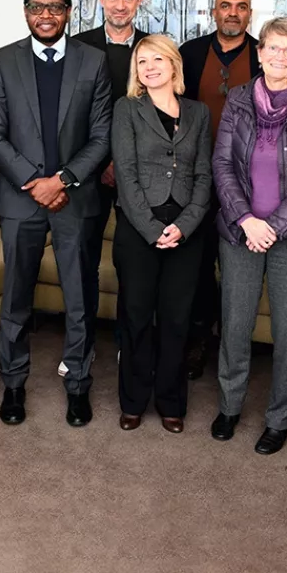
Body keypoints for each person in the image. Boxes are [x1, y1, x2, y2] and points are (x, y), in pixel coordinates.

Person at [0, 0, 111, 427]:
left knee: (78, 299)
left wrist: (64, 180)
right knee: (16, 299)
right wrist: (34, 181)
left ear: (70, 11)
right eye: (37, 7)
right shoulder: (2, 60)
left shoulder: (92, 62)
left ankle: (77, 384)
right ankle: (13, 384)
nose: (46, 15)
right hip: (20, 200)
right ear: (25, 11)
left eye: (55, 7)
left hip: (75, 199)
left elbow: (101, 136)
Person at [211, 17, 287, 455]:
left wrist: (275, 226)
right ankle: (229, 405)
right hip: (240, 230)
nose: (280, 56)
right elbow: (222, 165)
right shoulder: (239, 99)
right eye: (273, 48)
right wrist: (246, 220)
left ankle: (280, 417)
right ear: (259, 52)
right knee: (235, 324)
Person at [111, 35, 211, 432]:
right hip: (139, 227)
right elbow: (126, 174)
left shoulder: (198, 113)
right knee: (136, 315)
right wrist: (153, 229)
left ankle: (171, 401)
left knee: (176, 319)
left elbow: (204, 174)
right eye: (141, 61)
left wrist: (185, 225)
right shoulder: (127, 109)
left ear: (173, 65)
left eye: (157, 59)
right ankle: (133, 400)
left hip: (187, 227)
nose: (148, 67)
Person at [179, 0, 261, 380]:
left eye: (240, 7)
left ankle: (232, 345)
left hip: (247, 186)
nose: (233, 13)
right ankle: (197, 341)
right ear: (213, 12)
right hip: (196, 179)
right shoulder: (190, 54)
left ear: (250, 14)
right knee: (196, 268)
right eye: (225, 6)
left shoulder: (266, 56)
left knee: (236, 269)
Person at [72, 0, 149, 363]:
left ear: (139, 1)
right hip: (88, 175)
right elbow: (72, 117)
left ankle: (127, 344)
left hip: (139, 176)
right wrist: (99, 163)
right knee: (83, 260)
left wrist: (124, 163)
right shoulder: (77, 46)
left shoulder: (153, 49)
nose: (121, 6)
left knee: (133, 264)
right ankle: (80, 345)